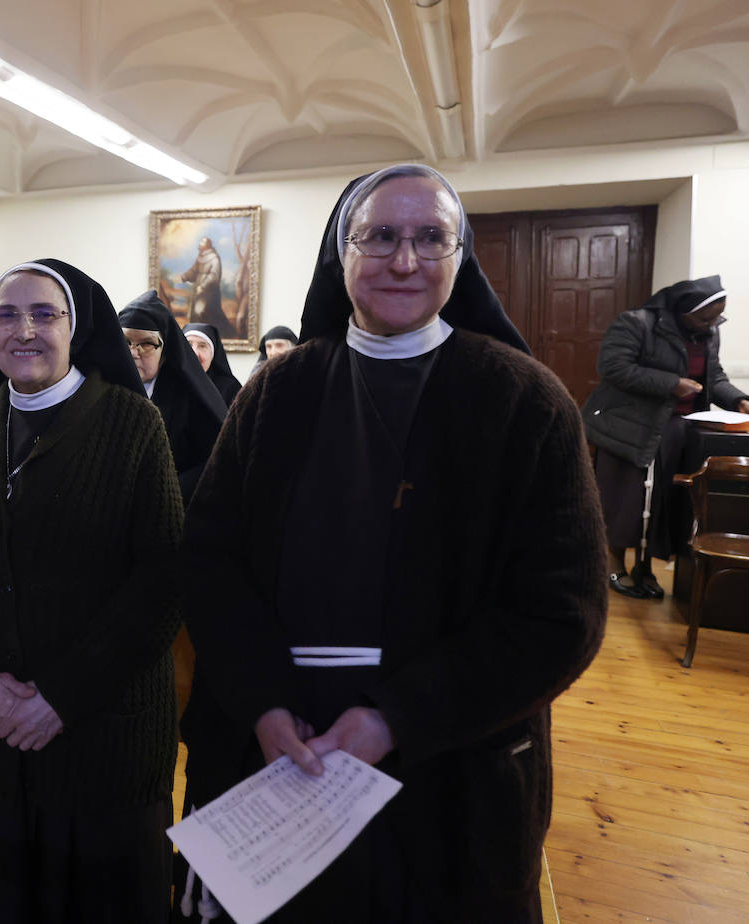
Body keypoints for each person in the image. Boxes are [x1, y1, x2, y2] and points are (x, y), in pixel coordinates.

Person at [178, 164, 606, 922]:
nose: (403, 260)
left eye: (429, 238)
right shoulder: (276, 393)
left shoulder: (527, 402)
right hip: (280, 751)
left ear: (460, 255)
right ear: (340, 254)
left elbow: (561, 615)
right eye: (379, 236)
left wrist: (394, 717)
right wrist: (262, 700)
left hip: (450, 768)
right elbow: (212, 561)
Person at [0, 259, 184, 922]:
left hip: (100, 739)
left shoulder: (133, 427)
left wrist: (62, 696)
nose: (24, 330)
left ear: (75, 327)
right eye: (6, 314)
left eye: (44, 314)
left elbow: (163, 583)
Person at [582, 277, 749, 598]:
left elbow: (714, 376)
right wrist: (672, 383)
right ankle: (612, 564)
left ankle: (645, 567)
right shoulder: (637, 323)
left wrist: (737, 400)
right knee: (626, 502)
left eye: (716, 318)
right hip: (629, 427)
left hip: (678, 430)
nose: (711, 324)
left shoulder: (707, 333)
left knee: (660, 503)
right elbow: (613, 367)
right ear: (683, 311)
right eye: (705, 318)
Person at [119, 291, 228, 501]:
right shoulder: (104, 389)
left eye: (147, 344)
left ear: (165, 350)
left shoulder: (190, 397)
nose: (133, 352)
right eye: (126, 341)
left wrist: (167, 492)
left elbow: (215, 459)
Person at [180, 237, 232, 336]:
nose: (199, 244)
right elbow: (193, 271)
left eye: (202, 242)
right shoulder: (200, 257)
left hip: (209, 292)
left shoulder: (214, 258)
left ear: (208, 245)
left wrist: (203, 286)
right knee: (195, 314)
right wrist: (183, 277)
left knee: (203, 313)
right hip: (198, 290)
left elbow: (214, 275)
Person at [183, 321, 241, 405]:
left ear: (213, 354)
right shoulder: (168, 383)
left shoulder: (231, 388)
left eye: (202, 346)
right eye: (188, 344)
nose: (195, 352)